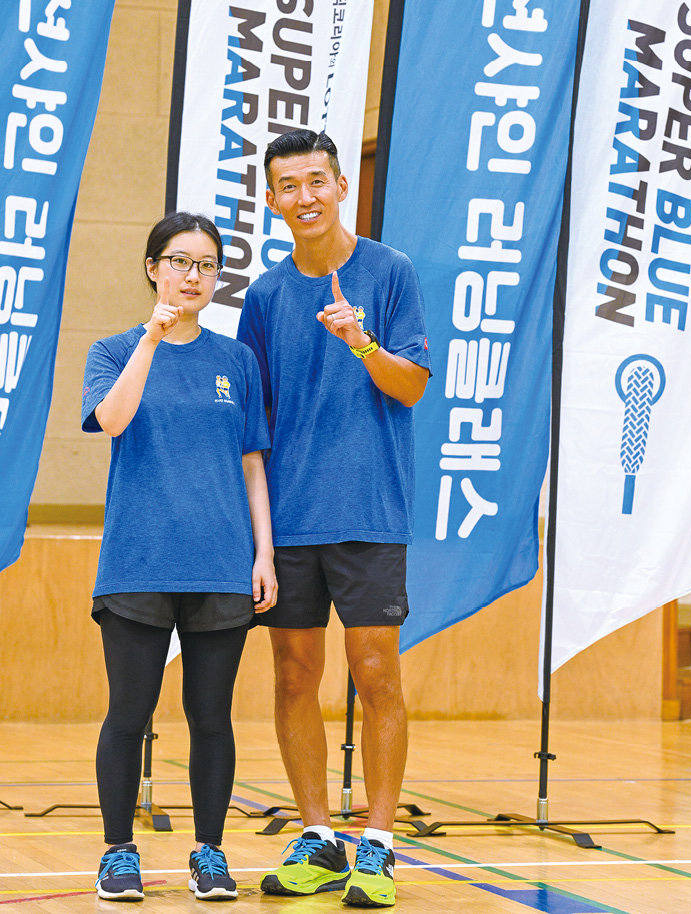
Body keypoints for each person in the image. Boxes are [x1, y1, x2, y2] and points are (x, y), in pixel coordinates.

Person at [237, 129, 431, 908]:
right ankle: (318, 834)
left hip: (370, 512)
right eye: (289, 185)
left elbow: (411, 386)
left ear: (341, 186)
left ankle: (377, 844)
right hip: (287, 522)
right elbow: (254, 417)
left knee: (377, 674)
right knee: (293, 676)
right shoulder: (262, 295)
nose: (305, 196)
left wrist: (360, 342)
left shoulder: (390, 272)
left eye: (316, 180)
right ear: (273, 200)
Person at [81, 212, 277, 902]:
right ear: (152, 267)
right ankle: (116, 853)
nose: (193, 276)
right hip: (137, 561)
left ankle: (209, 853)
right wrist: (152, 339)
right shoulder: (112, 350)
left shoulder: (237, 361)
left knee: (211, 717)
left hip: (220, 564)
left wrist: (265, 554)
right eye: (179, 261)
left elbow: (253, 461)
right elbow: (112, 419)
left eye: (206, 265)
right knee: (128, 713)